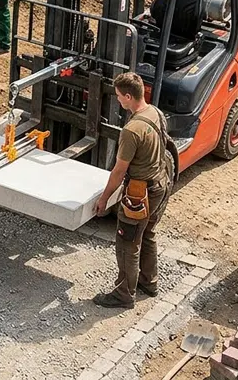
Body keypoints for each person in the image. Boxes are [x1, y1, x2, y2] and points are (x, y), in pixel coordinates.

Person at [92, 72, 176, 309]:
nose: (118, 101)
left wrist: (104, 199)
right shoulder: (156, 113)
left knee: (128, 243)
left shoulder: (131, 130)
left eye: (119, 97)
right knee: (147, 233)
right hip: (161, 185)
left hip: (140, 193)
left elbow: (119, 171)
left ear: (129, 96)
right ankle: (149, 282)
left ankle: (124, 294)